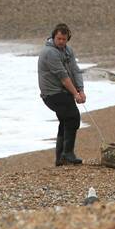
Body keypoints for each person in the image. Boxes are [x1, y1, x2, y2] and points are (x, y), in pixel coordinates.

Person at [38, 23, 85, 166]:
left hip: (64, 91)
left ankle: (60, 158)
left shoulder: (68, 50)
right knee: (73, 117)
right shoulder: (49, 52)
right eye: (59, 39)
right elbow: (63, 76)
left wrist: (81, 90)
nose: (61, 42)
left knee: (65, 120)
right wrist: (75, 94)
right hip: (52, 93)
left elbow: (75, 70)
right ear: (53, 37)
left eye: (64, 39)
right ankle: (67, 154)